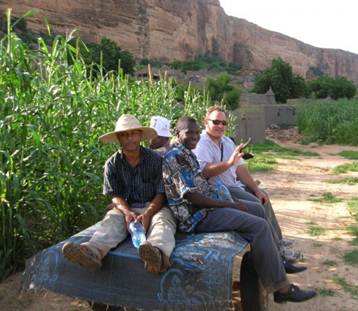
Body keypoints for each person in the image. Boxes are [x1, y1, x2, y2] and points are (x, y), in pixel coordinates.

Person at [162, 117, 316, 303]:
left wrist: (226, 198)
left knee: (257, 209)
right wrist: (230, 204)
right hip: (197, 216)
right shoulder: (176, 156)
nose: (194, 136)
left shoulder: (187, 152)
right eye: (189, 132)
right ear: (178, 134)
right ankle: (281, 289)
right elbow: (192, 198)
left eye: (196, 132)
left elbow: (202, 185)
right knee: (258, 226)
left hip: (207, 206)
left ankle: (275, 262)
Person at [62, 114, 176, 273]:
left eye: (133, 133)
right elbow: (115, 195)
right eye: (124, 135)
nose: (129, 138)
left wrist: (149, 214)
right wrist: (127, 212)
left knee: (163, 223)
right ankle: (91, 253)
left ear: (140, 135)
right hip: (126, 207)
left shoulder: (155, 160)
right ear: (118, 139)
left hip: (153, 206)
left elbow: (161, 193)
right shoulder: (112, 164)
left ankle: (156, 253)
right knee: (111, 221)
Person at [194, 105, 301, 262]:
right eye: (216, 122)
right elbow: (205, 171)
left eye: (224, 123)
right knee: (256, 206)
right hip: (219, 190)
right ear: (205, 122)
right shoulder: (202, 143)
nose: (220, 126)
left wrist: (257, 189)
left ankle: (278, 241)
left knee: (263, 197)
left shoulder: (227, 142)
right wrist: (229, 162)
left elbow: (240, 169)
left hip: (234, 186)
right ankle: (278, 252)